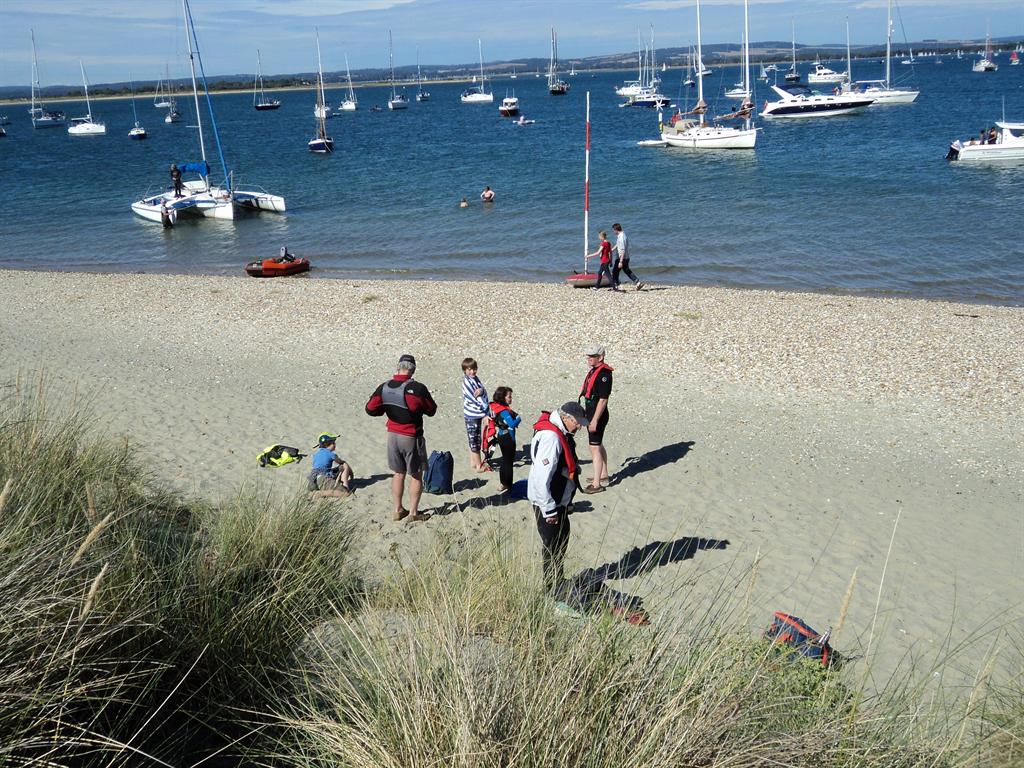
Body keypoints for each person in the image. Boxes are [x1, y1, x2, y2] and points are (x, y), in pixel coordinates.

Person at [365, 354, 437, 522]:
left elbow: (370, 409)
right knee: (416, 475)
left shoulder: (384, 387)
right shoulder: (418, 389)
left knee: (398, 473)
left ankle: (397, 509)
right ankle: (413, 513)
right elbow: (431, 410)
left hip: (392, 435)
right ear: (413, 370)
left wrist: (385, 409)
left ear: (398, 367)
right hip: (411, 436)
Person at [527, 402, 587, 590]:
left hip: (558, 501)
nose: (579, 427)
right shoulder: (551, 438)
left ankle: (557, 581)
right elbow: (541, 478)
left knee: (561, 541)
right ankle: (551, 587)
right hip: (549, 504)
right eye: (577, 423)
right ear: (566, 418)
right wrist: (549, 509)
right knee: (552, 546)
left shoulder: (558, 432)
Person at [580, 344, 613, 493]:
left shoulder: (604, 375)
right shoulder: (595, 371)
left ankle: (596, 483)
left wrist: (594, 420)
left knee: (594, 447)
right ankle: (603, 475)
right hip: (591, 412)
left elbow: (603, 400)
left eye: (592, 356)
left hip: (597, 416)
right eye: (588, 356)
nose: (589, 358)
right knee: (597, 445)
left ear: (600, 357)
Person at [489, 386, 521, 491]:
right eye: (509, 397)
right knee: (508, 462)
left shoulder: (496, 407)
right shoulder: (505, 411)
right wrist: (518, 419)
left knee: (504, 460)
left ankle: (502, 484)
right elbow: (512, 424)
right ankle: (508, 485)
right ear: (503, 398)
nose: (511, 399)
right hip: (508, 438)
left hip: (501, 436)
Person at [461, 357, 490, 472]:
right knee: (474, 439)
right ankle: (479, 465)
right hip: (472, 414)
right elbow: (474, 400)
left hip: (475, 414)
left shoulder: (475, 379)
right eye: (469, 369)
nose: (472, 371)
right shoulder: (467, 382)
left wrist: (482, 390)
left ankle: (473, 462)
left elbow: (481, 389)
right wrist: (484, 414)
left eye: (474, 369)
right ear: (465, 370)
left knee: (474, 437)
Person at [307, 432, 353, 499]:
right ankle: (344, 487)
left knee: (336, 469)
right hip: (323, 478)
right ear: (331, 444)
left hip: (313, 479)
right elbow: (342, 463)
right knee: (345, 493)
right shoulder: (331, 454)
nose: (335, 444)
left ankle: (319, 490)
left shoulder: (316, 454)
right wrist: (351, 474)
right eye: (334, 442)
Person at [611, 223, 644, 291]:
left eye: (613, 230)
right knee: (626, 270)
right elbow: (617, 244)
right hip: (625, 257)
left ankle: (617, 285)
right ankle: (638, 282)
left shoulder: (622, 237)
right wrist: (611, 250)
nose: (613, 232)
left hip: (622, 257)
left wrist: (620, 261)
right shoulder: (621, 235)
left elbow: (622, 250)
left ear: (616, 229)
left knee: (615, 272)